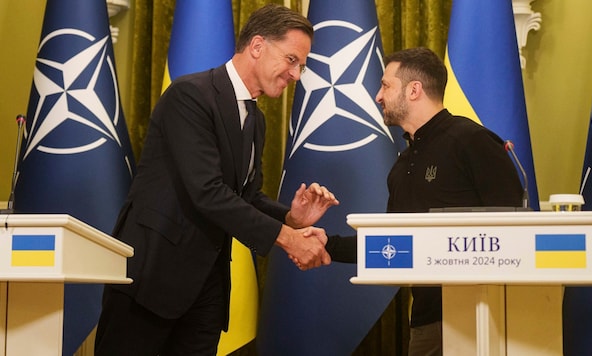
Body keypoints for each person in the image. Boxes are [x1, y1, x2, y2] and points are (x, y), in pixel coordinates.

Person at [94, 4, 339, 356]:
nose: (296, 74)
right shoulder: (190, 95)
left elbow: (246, 195)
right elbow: (206, 192)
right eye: (291, 59)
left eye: (301, 65)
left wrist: (290, 218)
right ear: (257, 46)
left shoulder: (256, 121)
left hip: (206, 289)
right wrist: (288, 239)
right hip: (151, 279)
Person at [325, 47, 523, 355]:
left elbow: (516, 231)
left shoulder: (473, 141)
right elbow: (390, 246)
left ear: (414, 90)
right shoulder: (402, 165)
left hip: (486, 317)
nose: (378, 96)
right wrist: (323, 245)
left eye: (386, 85)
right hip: (427, 321)